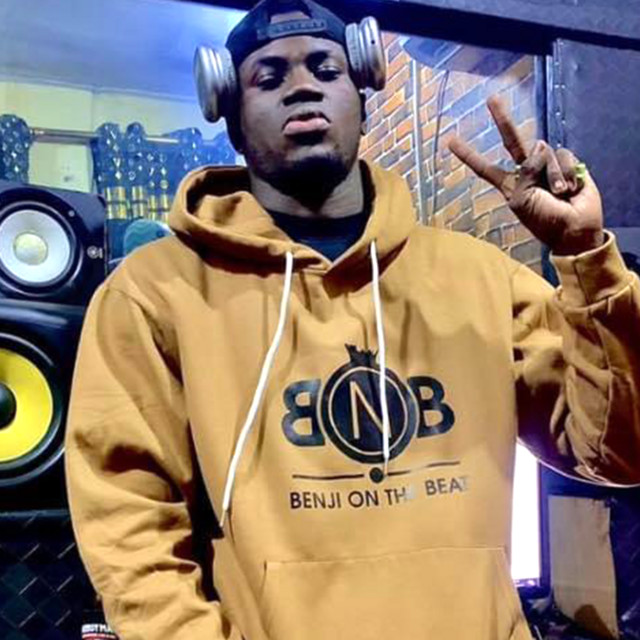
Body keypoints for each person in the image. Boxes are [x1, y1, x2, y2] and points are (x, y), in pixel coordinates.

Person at [64, 1, 640, 639]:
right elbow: (130, 528)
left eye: (325, 68)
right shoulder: (153, 294)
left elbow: (618, 455)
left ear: (362, 97)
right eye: (268, 77)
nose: (302, 86)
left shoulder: (482, 278)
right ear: (230, 114)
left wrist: (587, 258)